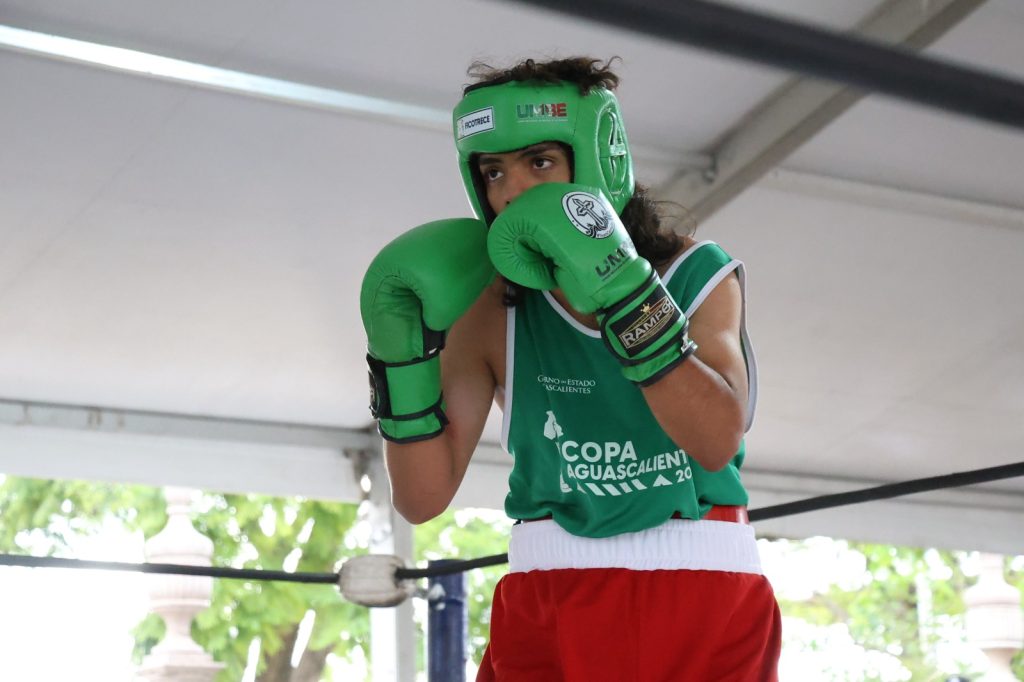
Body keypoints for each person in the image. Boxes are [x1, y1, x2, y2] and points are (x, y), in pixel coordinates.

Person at [360, 56, 781, 681]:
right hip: (546, 586)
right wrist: (399, 353)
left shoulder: (694, 275)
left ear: (598, 160)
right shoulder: (490, 306)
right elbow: (421, 499)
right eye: (494, 171)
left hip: (696, 576)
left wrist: (622, 293)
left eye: (539, 162)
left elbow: (718, 439)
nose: (513, 191)